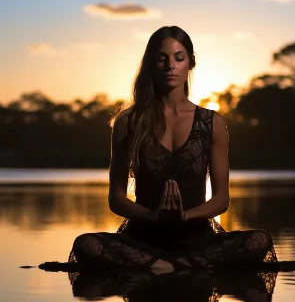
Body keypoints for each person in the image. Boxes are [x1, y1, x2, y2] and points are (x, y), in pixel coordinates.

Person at [68, 25, 277, 273]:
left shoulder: (212, 123)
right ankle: (181, 267)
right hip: (142, 238)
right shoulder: (128, 122)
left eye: (179, 58)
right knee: (86, 244)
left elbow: (222, 200)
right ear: (150, 63)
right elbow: (116, 199)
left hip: (197, 239)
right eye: (162, 58)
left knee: (259, 240)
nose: (171, 66)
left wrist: (185, 217)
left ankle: (166, 266)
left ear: (190, 63)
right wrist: (154, 217)